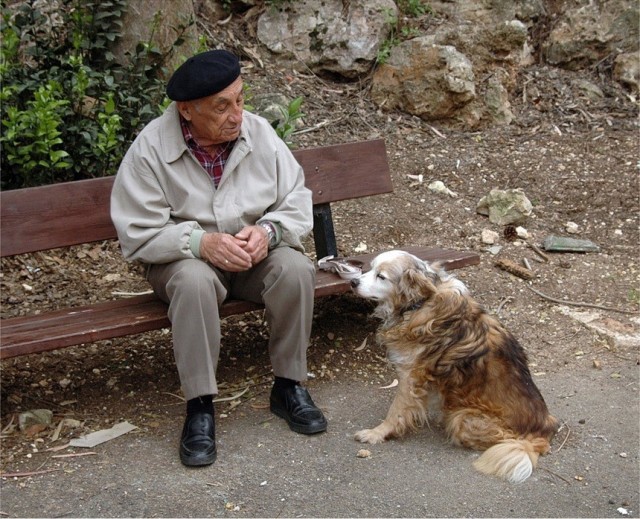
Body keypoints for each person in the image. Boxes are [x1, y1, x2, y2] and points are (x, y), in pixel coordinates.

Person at [110, 49, 327, 467]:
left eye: (241, 99)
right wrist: (199, 243)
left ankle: (289, 385)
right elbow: (137, 232)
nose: (237, 115)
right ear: (187, 111)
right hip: (182, 262)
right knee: (193, 281)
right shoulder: (151, 149)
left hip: (249, 259)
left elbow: (297, 198)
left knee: (295, 268)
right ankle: (200, 407)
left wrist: (269, 231)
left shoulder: (260, 134)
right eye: (222, 106)